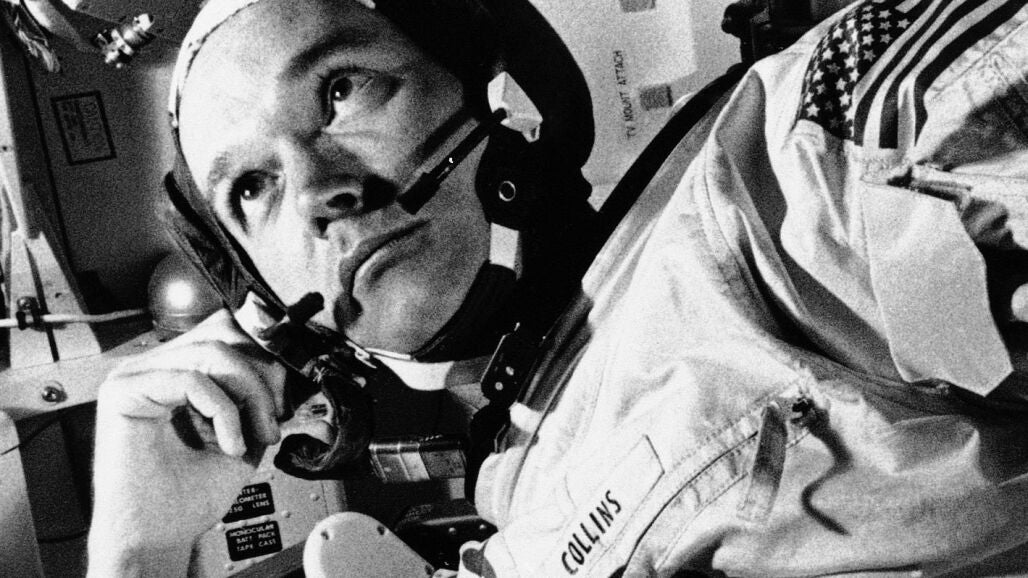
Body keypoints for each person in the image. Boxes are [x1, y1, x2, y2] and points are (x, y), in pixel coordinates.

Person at [87, 0, 1028, 576]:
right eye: (252, 188)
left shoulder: (788, 181)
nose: (314, 191)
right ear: (261, 298)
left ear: (492, 81)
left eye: (340, 91)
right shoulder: (519, 488)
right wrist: (137, 549)